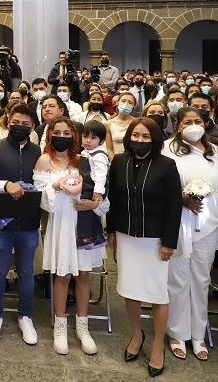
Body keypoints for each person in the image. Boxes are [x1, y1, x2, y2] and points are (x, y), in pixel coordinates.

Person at [107, 118, 182, 378]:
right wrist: (111, 230)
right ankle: (137, 334)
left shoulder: (166, 165)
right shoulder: (119, 162)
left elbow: (174, 206)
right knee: (130, 288)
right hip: (126, 235)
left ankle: (158, 345)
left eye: (146, 136)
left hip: (155, 240)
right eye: (136, 135)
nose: (140, 140)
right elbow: (113, 199)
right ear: (129, 137)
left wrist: (169, 242)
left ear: (155, 139)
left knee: (158, 293)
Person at [34, 116, 109, 355]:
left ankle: (83, 328)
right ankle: (60, 327)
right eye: (57, 132)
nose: (62, 137)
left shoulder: (83, 159)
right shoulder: (44, 160)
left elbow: (101, 193)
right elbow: (40, 200)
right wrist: (56, 185)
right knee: (63, 275)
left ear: (74, 136)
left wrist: (93, 204)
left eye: (67, 133)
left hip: (85, 222)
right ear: (49, 134)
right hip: (61, 223)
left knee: (84, 275)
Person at [0, 102, 41, 345]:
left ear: (32, 127)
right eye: (16, 122)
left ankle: (25, 316)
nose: (20, 127)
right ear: (8, 121)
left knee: (26, 271)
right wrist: (5, 185)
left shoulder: (38, 151)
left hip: (29, 221)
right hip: (1, 221)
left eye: (25, 124)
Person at [162, 107, 218, 361]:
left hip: (209, 223)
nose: (193, 125)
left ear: (205, 124)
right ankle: (177, 332)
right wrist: (181, 198)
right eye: (187, 122)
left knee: (201, 279)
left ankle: (198, 334)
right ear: (178, 125)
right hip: (178, 222)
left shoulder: (214, 152)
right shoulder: (167, 149)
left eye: (198, 121)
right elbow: (161, 184)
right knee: (178, 278)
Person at [105, 92, 136, 160]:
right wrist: (115, 163)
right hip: (115, 160)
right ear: (118, 103)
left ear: (133, 107)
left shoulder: (136, 123)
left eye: (130, 102)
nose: (126, 104)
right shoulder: (108, 124)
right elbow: (109, 149)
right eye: (123, 101)